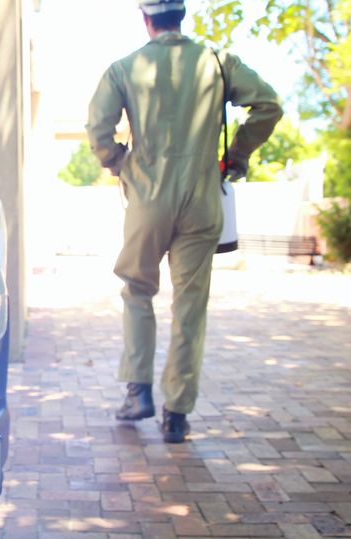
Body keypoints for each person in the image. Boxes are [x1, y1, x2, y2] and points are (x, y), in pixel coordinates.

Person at [85, 0, 282, 443]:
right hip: (201, 196)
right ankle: (177, 413)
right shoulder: (217, 61)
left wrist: (120, 163)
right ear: (182, 16)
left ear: (145, 18)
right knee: (190, 305)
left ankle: (138, 392)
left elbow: (98, 127)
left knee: (138, 289)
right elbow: (268, 105)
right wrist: (235, 156)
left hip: (148, 197)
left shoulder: (124, 68)